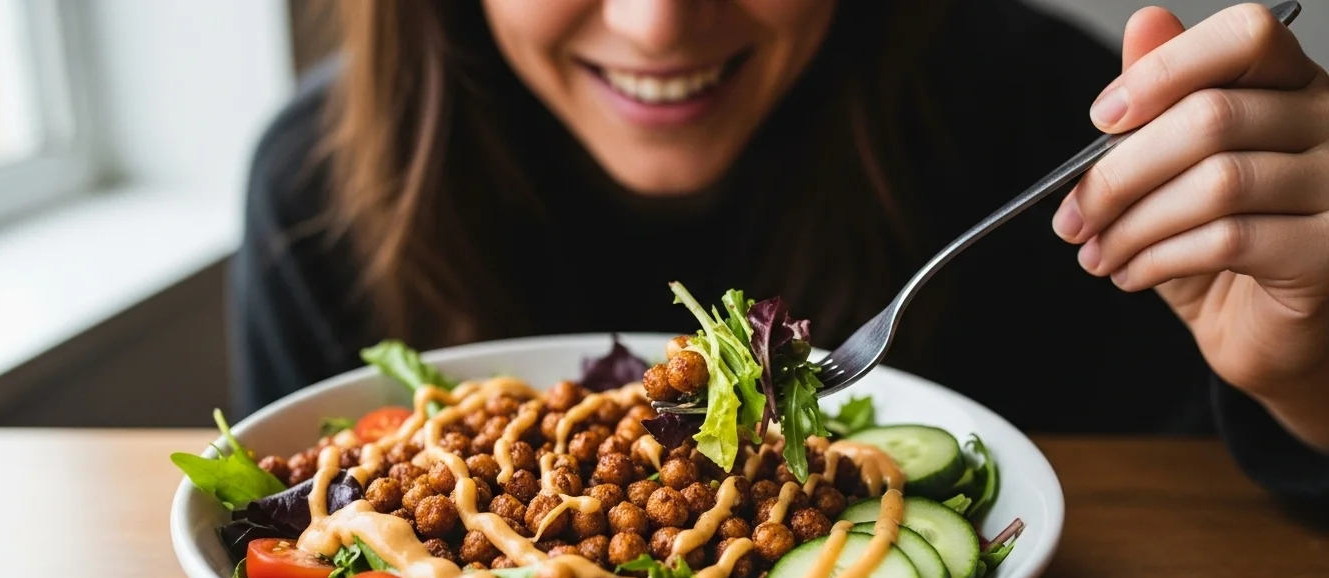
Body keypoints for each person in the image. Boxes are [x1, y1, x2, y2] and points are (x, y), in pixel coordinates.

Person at [230, 0, 1329, 503]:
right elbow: (293, 541)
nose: (656, 25)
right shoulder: (319, 191)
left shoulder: (1059, 130)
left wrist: (1308, 373)